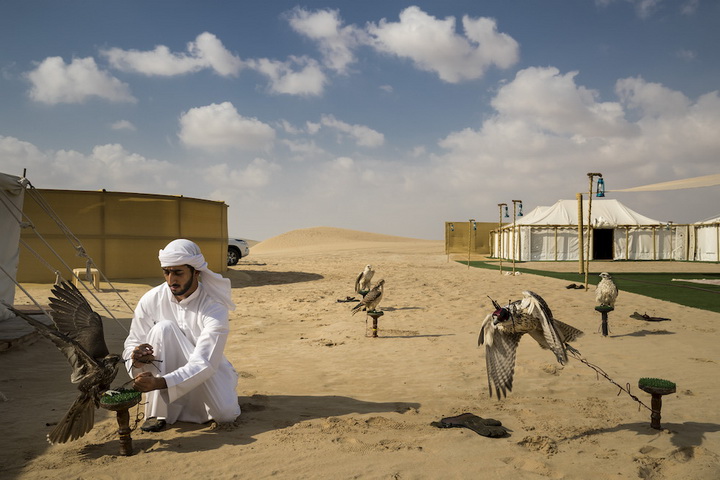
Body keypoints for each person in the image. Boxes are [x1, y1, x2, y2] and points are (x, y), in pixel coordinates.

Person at [123, 239, 241, 432]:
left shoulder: (213, 305)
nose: (171, 280)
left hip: (205, 370)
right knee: (163, 329)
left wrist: (159, 383)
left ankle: (222, 391)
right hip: (161, 374)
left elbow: (205, 362)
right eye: (166, 272)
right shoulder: (151, 299)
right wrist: (135, 359)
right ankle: (157, 412)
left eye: (178, 273)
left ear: (196, 272)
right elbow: (133, 341)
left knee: (225, 415)